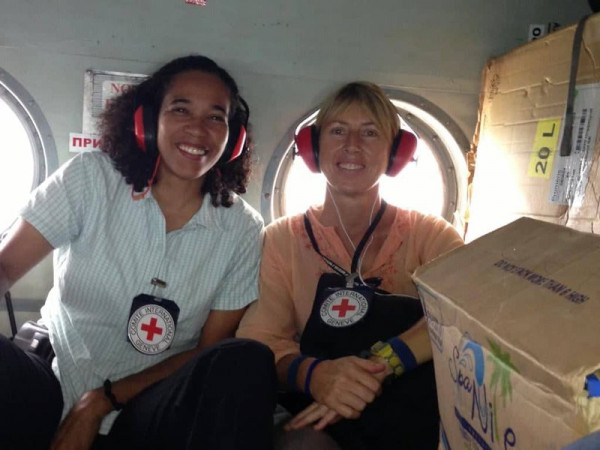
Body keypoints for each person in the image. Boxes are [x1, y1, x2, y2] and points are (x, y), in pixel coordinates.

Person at [0, 55, 276, 450]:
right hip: (53, 379)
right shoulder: (91, 179)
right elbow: (6, 266)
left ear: (234, 139)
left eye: (216, 118)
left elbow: (208, 351)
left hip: (148, 404)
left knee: (244, 358)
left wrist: (101, 402)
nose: (198, 129)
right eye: (181, 109)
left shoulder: (242, 229)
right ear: (147, 122)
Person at [236, 81, 464, 449]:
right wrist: (317, 377)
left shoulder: (431, 235)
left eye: (370, 132)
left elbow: (468, 311)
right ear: (313, 148)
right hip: (316, 412)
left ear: (396, 153)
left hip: (410, 409)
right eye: (338, 130)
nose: (352, 145)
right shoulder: (281, 240)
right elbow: (260, 341)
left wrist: (380, 366)